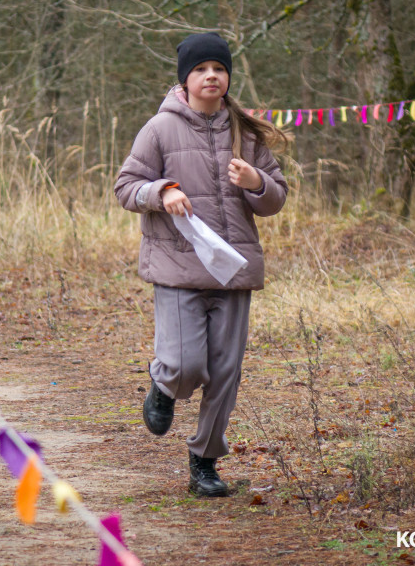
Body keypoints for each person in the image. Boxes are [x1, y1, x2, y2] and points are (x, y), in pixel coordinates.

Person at [114, 32, 289, 497]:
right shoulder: (159, 130)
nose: (211, 75)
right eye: (200, 69)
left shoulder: (246, 133)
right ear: (185, 80)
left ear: (228, 77)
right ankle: (163, 384)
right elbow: (126, 186)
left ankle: (204, 463)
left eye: (219, 68)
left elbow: (276, 198)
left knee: (225, 371)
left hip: (233, 270)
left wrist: (256, 182)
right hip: (178, 265)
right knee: (186, 363)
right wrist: (162, 191)